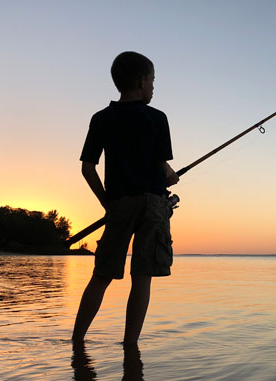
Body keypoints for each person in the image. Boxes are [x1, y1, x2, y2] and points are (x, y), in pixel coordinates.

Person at [72, 51, 178, 344]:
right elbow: (162, 165)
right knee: (142, 276)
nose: (154, 87)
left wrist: (107, 202)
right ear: (142, 80)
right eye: (153, 80)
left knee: (102, 274)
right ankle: (130, 347)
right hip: (154, 204)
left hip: (119, 203)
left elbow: (87, 168)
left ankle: (77, 341)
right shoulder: (157, 118)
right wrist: (171, 176)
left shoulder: (102, 118)